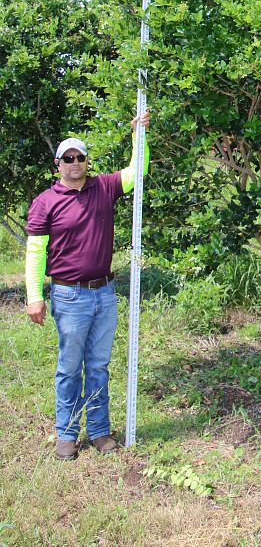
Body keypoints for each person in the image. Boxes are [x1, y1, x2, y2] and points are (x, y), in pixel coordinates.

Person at [25, 112, 150, 461]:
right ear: (58, 164)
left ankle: (98, 431)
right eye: (69, 158)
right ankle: (66, 433)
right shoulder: (45, 202)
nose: (75, 163)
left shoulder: (104, 187)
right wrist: (35, 296)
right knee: (69, 367)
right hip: (68, 294)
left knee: (98, 366)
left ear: (86, 161)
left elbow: (137, 170)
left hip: (104, 293)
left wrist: (138, 135)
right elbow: (35, 252)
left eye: (80, 157)